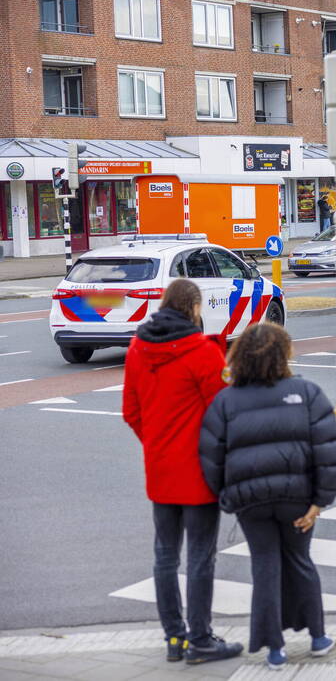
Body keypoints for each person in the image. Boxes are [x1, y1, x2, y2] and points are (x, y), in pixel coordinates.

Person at [200, 323, 336, 671]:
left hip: (251, 502)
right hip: (297, 498)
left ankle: (274, 647)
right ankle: (318, 637)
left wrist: (228, 498)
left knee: (264, 566)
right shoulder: (306, 393)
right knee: (300, 561)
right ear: (284, 354)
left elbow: (211, 456)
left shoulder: (226, 400)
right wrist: (318, 503)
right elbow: (327, 451)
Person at [122, 279, 243, 666]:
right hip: (199, 472)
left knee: (164, 557)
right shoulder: (201, 353)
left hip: (161, 470)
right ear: (193, 308)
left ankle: (175, 638)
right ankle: (202, 639)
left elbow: (131, 411)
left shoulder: (138, 349)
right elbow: (223, 413)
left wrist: (156, 443)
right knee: (201, 559)